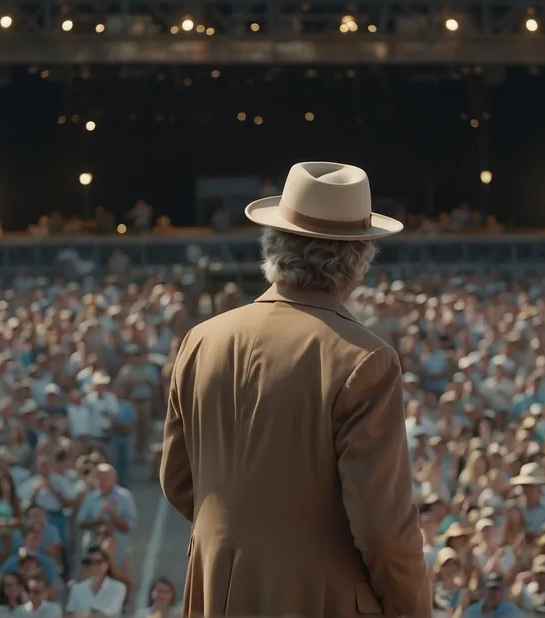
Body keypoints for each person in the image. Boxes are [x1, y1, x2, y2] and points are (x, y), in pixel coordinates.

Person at [160, 162, 429, 617]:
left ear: (275, 245)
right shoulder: (365, 358)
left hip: (214, 592)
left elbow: (178, 481)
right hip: (320, 598)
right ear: (358, 260)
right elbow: (384, 530)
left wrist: (243, 546)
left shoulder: (201, 340)